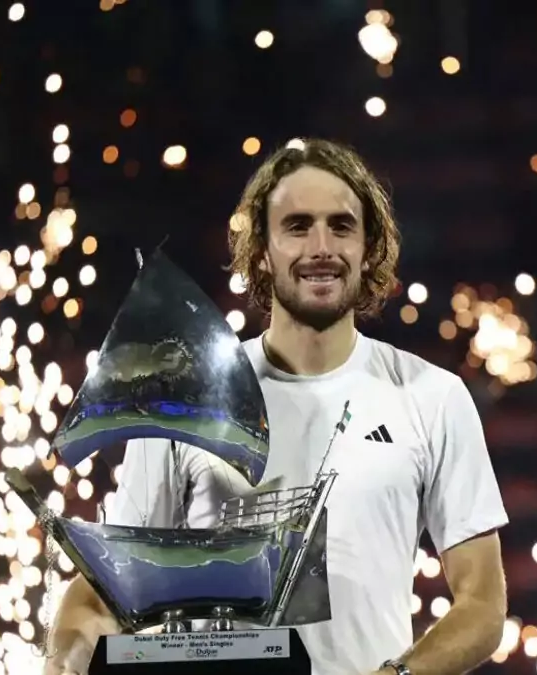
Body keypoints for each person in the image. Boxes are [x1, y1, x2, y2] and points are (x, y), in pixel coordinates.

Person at [46, 138, 508, 675]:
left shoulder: (432, 396)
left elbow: (482, 605)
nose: (321, 247)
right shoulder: (185, 397)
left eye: (341, 226)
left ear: (369, 248)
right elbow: (100, 592)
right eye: (297, 226)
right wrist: (66, 659)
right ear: (263, 251)